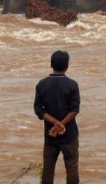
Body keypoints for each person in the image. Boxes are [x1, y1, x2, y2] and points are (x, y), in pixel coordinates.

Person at [34, 50, 80, 184]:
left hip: (50, 135)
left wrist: (54, 123)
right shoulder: (72, 84)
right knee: (72, 167)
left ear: (51, 64)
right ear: (67, 66)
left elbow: (38, 109)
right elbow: (74, 109)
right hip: (70, 135)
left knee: (48, 168)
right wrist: (61, 124)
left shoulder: (42, 84)